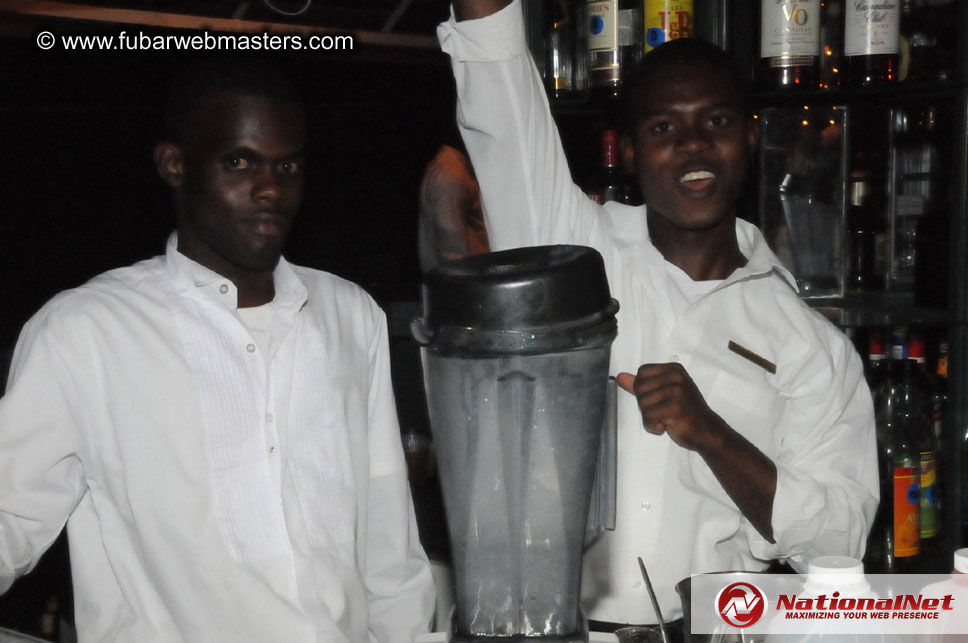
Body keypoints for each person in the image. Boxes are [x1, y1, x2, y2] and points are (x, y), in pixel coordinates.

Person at [438, 0, 880, 631]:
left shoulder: (811, 345)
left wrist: (714, 436)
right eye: (664, 129)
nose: (694, 146)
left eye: (717, 121)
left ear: (750, 134)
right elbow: (502, 97)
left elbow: (840, 541)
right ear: (632, 149)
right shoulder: (574, 252)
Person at [0, 58, 435, 642]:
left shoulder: (348, 314)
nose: (270, 189)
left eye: (288, 165)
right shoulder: (85, 333)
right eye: (239, 162)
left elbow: (390, 546)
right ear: (174, 165)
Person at [417, 142, 490, 273]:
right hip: (466, 285)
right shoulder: (451, 174)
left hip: (474, 280)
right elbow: (453, 253)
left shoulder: (459, 168)